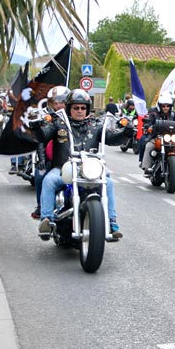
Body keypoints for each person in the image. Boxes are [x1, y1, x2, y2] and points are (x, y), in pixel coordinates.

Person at [32, 89, 132, 239]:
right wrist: (37, 128)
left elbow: (111, 138)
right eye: (76, 108)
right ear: (69, 108)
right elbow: (44, 135)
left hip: (90, 169)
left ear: (87, 109)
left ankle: (111, 222)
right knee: (49, 180)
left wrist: (126, 133)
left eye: (83, 108)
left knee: (109, 183)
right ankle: (46, 220)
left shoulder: (96, 125)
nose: (79, 111)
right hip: (63, 168)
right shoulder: (59, 123)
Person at [29, 86, 69, 219]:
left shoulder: (74, 117)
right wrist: (42, 159)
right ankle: (41, 206)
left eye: (61, 101)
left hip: (69, 159)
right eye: (55, 102)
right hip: (51, 159)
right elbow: (42, 140)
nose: (58, 105)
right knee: (40, 175)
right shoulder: (47, 118)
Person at [139, 92, 175, 178]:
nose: (166, 108)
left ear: (170, 106)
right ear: (160, 106)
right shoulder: (153, 113)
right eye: (163, 106)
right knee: (148, 146)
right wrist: (148, 125)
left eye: (168, 106)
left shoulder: (173, 114)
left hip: (171, 138)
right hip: (156, 137)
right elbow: (148, 120)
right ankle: (146, 168)